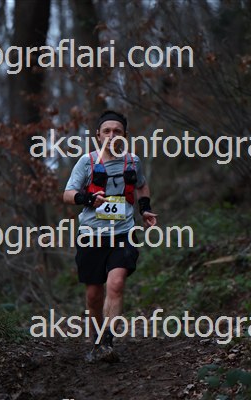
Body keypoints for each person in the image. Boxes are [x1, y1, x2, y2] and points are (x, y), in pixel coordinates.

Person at [63, 110, 157, 362]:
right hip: (91, 234)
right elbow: (68, 194)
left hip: (123, 232)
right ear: (98, 135)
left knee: (116, 283)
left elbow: (141, 185)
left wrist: (145, 209)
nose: (112, 135)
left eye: (117, 131)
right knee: (93, 295)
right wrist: (88, 199)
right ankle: (97, 338)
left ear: (125, 135)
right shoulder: (87, 162)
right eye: (107, 131)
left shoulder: (133, 161)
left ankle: (106, 342)